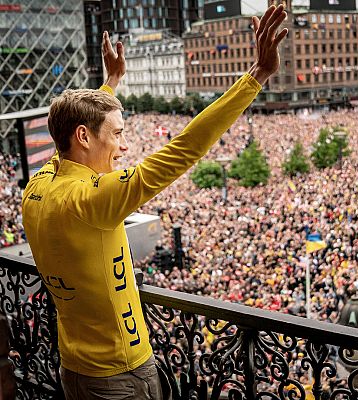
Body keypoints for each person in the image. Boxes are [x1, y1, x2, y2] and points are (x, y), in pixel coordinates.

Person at [20, 5, 288, 399]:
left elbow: (72, 134)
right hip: (119, 375)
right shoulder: (91, 200)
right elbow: (185, 147)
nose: (125, 145)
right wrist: (257, 76)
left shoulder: (38, 186)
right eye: (118, 134)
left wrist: (110, 83)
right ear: (84, 137)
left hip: (73, 367)